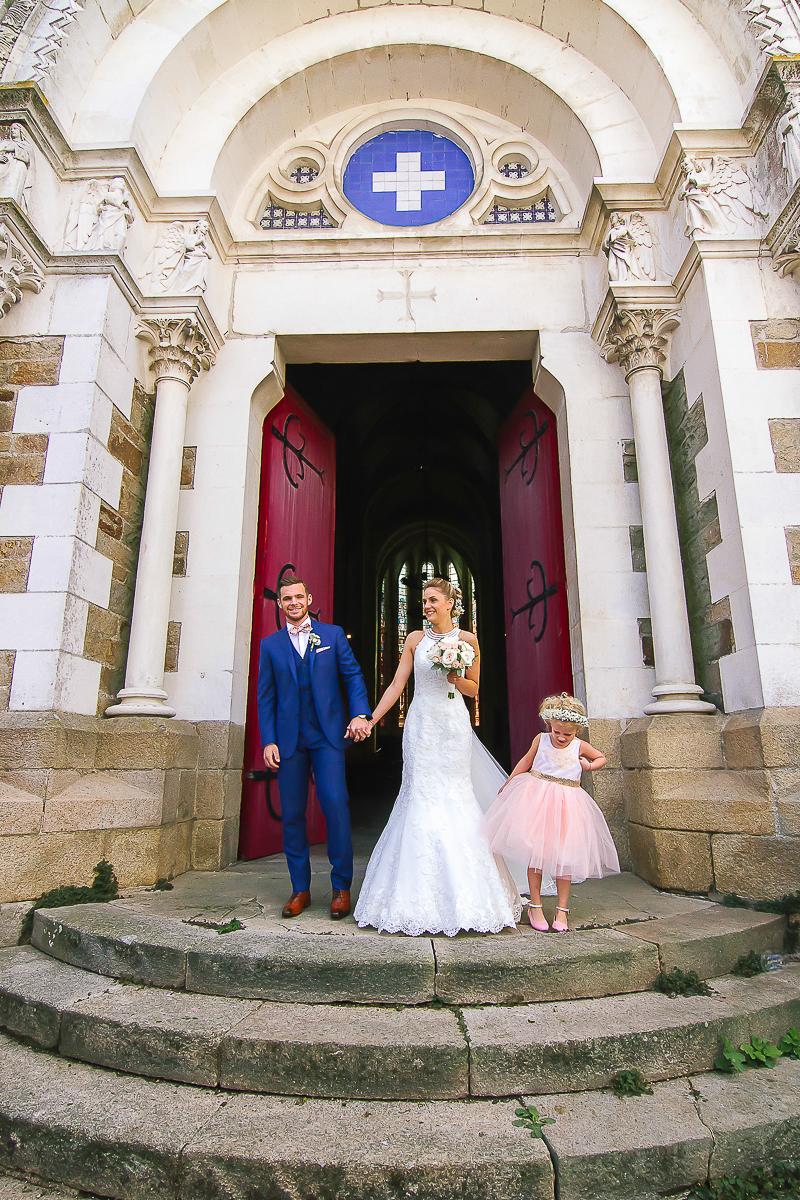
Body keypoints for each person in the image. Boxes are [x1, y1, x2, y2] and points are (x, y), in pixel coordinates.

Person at [353, 578, 522, 937]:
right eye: (424, 601)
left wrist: (455, 673)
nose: (426, 605)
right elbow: (398, 685)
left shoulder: (469, 640)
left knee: (455, 795)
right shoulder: (414, 640)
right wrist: (371, 718)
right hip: (421, 725)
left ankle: (471, 896)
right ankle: (410, 897)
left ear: (450, 604)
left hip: (452, 725)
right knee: (419, 794)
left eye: (432, 600)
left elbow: (474, 690)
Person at [257, 575, 371, 920]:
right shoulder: (270, 645)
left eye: (298, 597)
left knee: (335, 805)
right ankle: (300, 889)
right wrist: (269, 739)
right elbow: (266, 696)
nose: (293, 602)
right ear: (280, 604)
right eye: (286, 598)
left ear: (309, 598)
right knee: (292, 814)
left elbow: (352, 676)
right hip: (290, 741)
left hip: (327, 737)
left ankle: (341, 887)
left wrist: (359, 713)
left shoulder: (333, 636)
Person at [483, 692, 619, 933]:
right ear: (550, 725)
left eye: (567, 734)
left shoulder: (579, 745)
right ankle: (535, 905)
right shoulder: (541, 740)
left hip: (568, 804)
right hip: (537, 798)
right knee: (536, 855)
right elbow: (526, 761)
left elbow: (601, 757)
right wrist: (510, 781)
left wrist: (588, 765)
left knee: (564, 859)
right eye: (557, 732)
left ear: (576, 730)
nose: (561, 737)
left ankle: (562, 910)